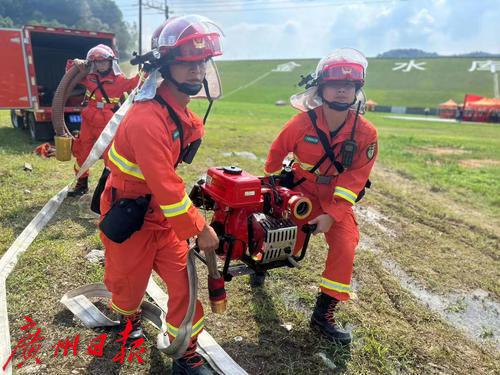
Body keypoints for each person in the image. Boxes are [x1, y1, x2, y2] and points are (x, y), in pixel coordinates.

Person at [99, 15, 223, 374]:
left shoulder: (178, 112)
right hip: (131, 214)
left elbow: (168, 189)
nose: (197, 70)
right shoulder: (147, 119)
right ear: (164, 65)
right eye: (186, 62)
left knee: (184, 283)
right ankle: (127, 320)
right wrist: (200, 227)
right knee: (126, 286)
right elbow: (166, 185)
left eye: (202, 61)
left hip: (164, 219)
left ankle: (185, 353)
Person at [264, 48, 378, 345]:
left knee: (345, 244)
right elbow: (276, 153)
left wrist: (332, 215)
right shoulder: (301, 123)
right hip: (302, 188)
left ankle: (323, 314)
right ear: (321, 87)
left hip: (335, 198)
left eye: (350, 85)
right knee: (281, 235)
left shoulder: (366, 133)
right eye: (335, 84)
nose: (342, 90)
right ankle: (260, 264)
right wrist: (273, 188)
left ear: (357, 89)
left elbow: (355, 179)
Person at [68, 44, 140, 197]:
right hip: (88, 122)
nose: (101, 65)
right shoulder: (89, 77)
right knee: (82, 153)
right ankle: (81, 185)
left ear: (111, 62)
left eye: (104, 62)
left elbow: (137, 83)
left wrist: (147, 70)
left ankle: (108, 189)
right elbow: (69, 75)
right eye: (98, 62)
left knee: (111, 157)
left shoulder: (119, 80)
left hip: (108, 124)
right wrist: (75, 63)